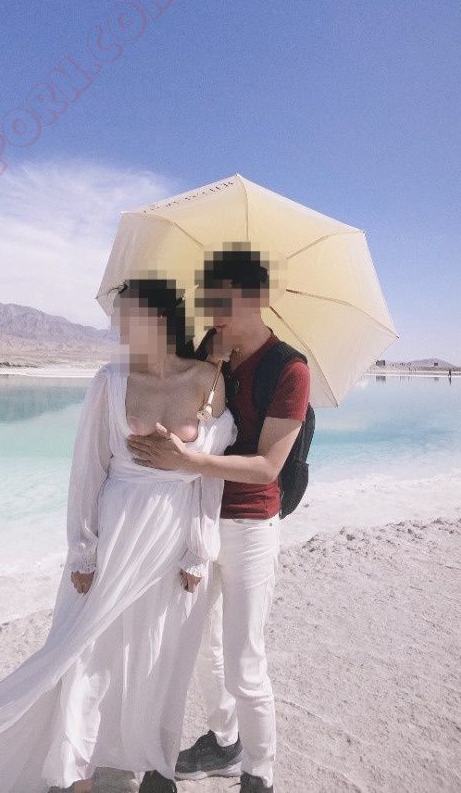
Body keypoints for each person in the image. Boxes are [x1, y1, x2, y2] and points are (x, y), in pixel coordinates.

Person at [0, 278, 237, 793]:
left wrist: (199, 549)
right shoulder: (110, 382)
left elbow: (208, 479)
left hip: (172, 542)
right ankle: (75, 774)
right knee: (82, 653)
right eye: (118, 318)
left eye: (129, 317)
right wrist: (82, 550)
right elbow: (88, 470)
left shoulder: (208, 381)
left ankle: (155, 763)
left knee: (160, 656)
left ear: (161, 319)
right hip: (116, 534)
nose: (119, 328)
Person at [127, 249, 311, 793]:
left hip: (251, 525)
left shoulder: (289, 369)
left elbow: (267, 466)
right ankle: (221, 742)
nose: (213, 309)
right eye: (208, 298)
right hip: (195, 520)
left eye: (223, 298)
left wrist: (189, 461)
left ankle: (259, 771)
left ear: (258, 298)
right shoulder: (212, 356)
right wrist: (206, 369)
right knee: (192, 647)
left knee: (243, 658)